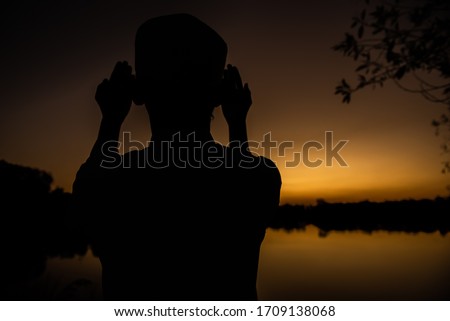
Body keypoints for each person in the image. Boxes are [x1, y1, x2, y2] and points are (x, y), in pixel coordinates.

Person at [72, 13, 281, 300]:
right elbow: (244, 180)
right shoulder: (259, 177)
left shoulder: (113, 181)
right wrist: (237, 126)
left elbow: (90, 189)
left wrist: (110, 121)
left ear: (138, 93)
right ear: (220, 96)